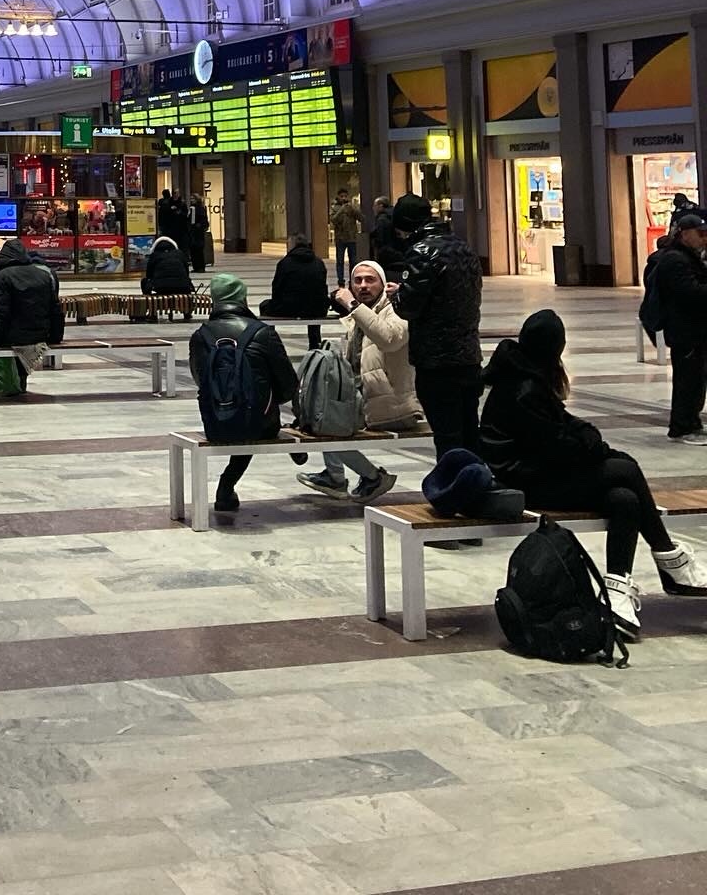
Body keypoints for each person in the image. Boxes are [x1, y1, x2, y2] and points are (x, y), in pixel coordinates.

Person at [481, 309, 707, 636]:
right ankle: (670, 560)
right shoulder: (524, 387)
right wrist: (595, 446)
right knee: (625, 469)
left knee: (625, 499)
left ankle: (617, 592)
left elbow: (564, 426)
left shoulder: (525, 375)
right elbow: (560, 447)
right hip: (525, 481)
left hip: (540, 472)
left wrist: (589, 438)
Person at [297, 259, 419, 502]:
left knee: (328, 423)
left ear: (383, 284)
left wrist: (352, 305)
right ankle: (336, 477)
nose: (363, 286)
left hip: (393, 404)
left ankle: (371, 477)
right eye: (358, 281)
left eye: (370, 280)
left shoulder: (397, 309)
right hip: (370, 398)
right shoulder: (363, 313)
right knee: (322, 405)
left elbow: (389, 339)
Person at [188, 275, 299, 514]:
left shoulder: (200, 336)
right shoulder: (262, 333)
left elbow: (200, 380)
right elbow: (289, 385)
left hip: (215, 424)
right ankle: (226, 485)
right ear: (242, 298)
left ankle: (226, 488)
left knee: (242, 419)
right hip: (261, 424)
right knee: (251, 417)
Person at [392, 192, 482, 460]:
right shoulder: (463, 248)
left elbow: (408, 307)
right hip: (468, 356)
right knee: (469, 431)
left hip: (437, 361)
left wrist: (398, 293)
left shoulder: (421, 252)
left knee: (447, 436)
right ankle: (477, 485)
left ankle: (455, 490)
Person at [647, 206, 707, 440]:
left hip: (695, 329)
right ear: (683, 234)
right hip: (685, 330)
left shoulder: (691, 257)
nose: (703, 238)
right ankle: (681, 425)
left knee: (695, 378)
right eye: (699, 233)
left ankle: (691, 421)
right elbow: (688, 292)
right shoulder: (675, 260)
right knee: (687, 379)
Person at [0, 239, 64, 394]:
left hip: (14, 335)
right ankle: (19, 380)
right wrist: (56, 337)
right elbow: (55, 310)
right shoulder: (43, 274)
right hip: (39, 333)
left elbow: (0, 315)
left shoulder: (3, 276)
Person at [261, 234, 329, 319]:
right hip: (317, 309)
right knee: (313, 303)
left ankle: (270, 332)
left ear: (291, 246)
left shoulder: (285, 263)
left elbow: (277, 287)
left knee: (264, 306)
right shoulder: (319, 262)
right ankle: (314, 332)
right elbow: (323, 287)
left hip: (288, 308)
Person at [140, 233, 193, 320]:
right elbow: (186, 272)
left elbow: (149, 274)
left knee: (144, 281)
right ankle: (187, 312)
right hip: (182, 287)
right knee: (185, 281)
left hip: (161, 288)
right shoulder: (180, 253)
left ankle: (152, 312)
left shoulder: (154, 255)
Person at [328, 189, 363, 286]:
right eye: (341, 196)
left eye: (345, 196)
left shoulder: (352, 207)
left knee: (353, 260)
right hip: (340, 239)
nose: (343, 198)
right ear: (338, 197)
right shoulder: (334, 208)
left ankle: (352, 279)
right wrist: (341, 210)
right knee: (340, 261)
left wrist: (354, 209)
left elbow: (361, 218)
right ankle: (340, 280)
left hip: (352, 238)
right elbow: (333, 220)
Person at [188, 194, 210, 275]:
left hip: (198, 232)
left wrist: (199, 225)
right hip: (192, 231)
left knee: (199, 250)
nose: (191, 200)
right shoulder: (191, 208)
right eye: (190, 198)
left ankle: (201, 267)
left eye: (193, 198)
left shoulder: (200, 208)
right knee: (193, 250)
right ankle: (196, 267)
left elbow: (203, 219)